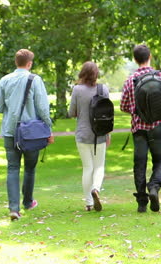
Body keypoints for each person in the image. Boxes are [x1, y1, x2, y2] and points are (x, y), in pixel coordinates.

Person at [0, 49, 54, 221]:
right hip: (30, 132)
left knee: (12, 168)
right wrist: (48, 128)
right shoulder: (35, 80)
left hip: (10, 131)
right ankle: (28, 202)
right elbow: (42, 108)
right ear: (29, 63)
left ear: (16, 62)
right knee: (30, 167)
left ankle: (14, 208)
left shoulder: (4, 80)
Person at [120, 44, 161, 213]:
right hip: (158, 126)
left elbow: (124, 105)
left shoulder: (131, 80)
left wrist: (136, 109)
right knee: (160, 159)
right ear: (150, 56)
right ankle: (154, 186)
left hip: (138, 128)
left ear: (135, 59)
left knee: (140, 163)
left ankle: (141, 202)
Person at [68, 61, 111, 212]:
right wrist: (108, 134)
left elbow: (71, 112)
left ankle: (88, 202)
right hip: (99, 133)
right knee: (99, 166)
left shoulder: (77, 90)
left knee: (87, 167)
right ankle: (96, 189)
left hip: (83, 133)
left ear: (82, 73)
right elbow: (107, 114)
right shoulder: (103, 89)